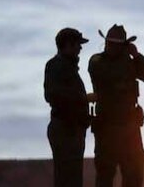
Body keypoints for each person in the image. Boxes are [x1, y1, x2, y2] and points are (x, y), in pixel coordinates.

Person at [88, 24, 144, 187]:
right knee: (105, 175)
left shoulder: (129, 62)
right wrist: (128, 59)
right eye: (110, 43)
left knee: (133, 173)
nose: (111, 47)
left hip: (129, 127)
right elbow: (109, 77)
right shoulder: (98, 61)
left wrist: (136, 56)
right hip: (107, 128)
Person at [44, 27, 93, 187]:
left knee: (71, 177)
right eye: (78, 44)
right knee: (67, 178)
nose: (80, 48)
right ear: (67, 44)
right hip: (66, 130)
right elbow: (52, 95)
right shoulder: (57, 66)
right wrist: (83, 99)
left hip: (71, 130)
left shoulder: (66, 67)